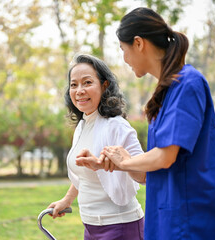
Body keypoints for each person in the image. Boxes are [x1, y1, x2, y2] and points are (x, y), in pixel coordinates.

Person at [76, 7, 215, 240]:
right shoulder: (166, 92)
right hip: (167, 218)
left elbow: (165, 156)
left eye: (124, 49)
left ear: (139, 43)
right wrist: (108, 164)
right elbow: (151, 170)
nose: (124, 58)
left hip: (194, 220)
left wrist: (127, 161)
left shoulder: (188, 84)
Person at [47, 54, 146, 240]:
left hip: (121, 226)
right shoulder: (83, 126)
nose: (79, 90)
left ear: (104, 85)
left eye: (87, 82)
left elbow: (144, 175)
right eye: (74, 85)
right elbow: (83, 175)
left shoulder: (117, 126)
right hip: (91, 227)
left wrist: (116, 163)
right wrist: (66, 200)